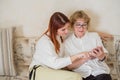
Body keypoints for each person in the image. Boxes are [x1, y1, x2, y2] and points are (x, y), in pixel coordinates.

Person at [29, 12, 86, 80]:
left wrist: (96, 33)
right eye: (63, 29)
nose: (67, 31)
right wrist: (77, 56)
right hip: (38, 71)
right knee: (76, 77)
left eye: (67, 27)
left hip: (52, 70)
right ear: (54, 29)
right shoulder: (44, 42)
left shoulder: (59, 35)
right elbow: (55, 64)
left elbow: (75, 33)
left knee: (79, 75)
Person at [64, 10, 112, 80]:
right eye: (78, 24)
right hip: (82, 75)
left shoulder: (94, 36)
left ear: (87, 25)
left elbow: (105, 57)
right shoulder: (67, 42)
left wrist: (101, 56)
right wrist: (86, 57)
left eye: (84, 24)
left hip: (99, 72)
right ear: (72, 25)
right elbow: (69, 66)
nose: (81, 28)